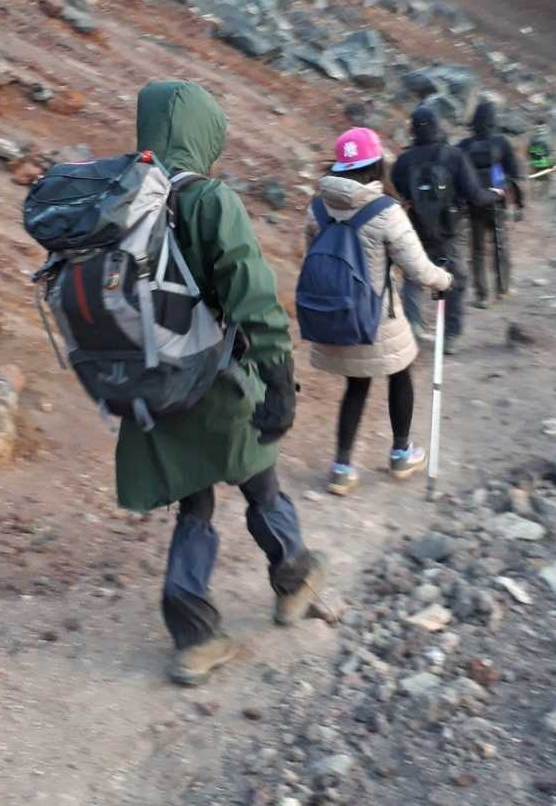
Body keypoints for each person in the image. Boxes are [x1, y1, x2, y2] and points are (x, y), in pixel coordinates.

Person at [117, 79, 325, 687]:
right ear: (204, 134)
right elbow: (251, 296)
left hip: (151, 382)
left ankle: (193, 637)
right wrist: (279, 381)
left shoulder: (119, 197)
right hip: (214, 378)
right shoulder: (208, 200)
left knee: (195, 502)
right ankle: (294, 579)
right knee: (261, 485)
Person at [304, 128, 454, 496]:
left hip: (337, 313)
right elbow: (417, 269)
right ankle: (401, 453)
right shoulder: (385, 211)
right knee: (400, 373)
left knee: (356, 385)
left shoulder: (317, 208)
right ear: (376, 165)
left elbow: (313, 255)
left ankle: (341, 467)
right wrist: (444, 280)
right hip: (378, 316)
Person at [390, 105, 498, 355]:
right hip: (449, 231)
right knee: (456, 279)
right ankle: (450, 336)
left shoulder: (404, 161)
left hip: (416, 229)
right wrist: (495, 194)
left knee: (413, 277)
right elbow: (475, 195)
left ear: (412, 130)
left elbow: (400, 190)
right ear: (437, 126)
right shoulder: (454, 156)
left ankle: (413, 326)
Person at [458, 100, 525, 308]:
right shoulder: (501, 143)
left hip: (474, 203)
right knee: (500, 246)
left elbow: (455, 173)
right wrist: (519, 203)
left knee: (477, 250)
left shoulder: (464, 145)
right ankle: (503, 288)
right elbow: (515, 175)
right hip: (497, 202)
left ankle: (482, 295)